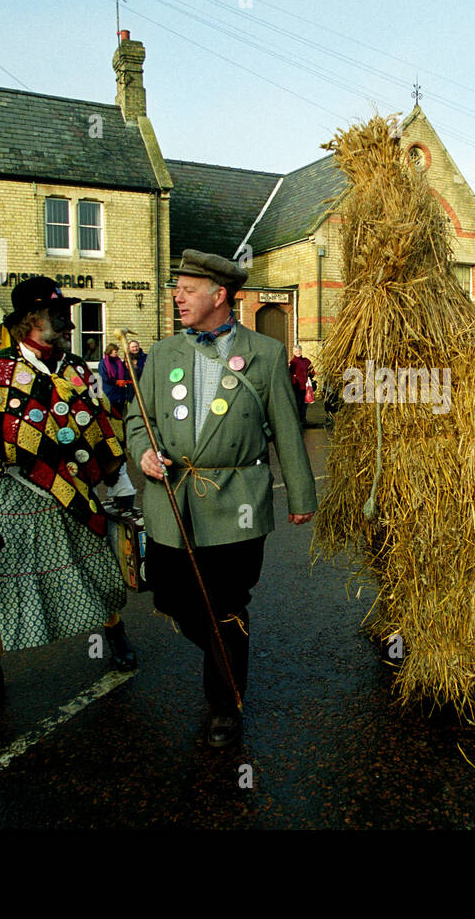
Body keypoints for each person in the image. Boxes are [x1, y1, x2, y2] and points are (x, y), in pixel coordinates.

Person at [127, 249, 316, 749]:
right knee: (171, 597)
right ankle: (224, 651)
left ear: (220, 296)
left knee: (228, 604)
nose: (177, 297)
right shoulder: (162, 352)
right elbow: (135, 419)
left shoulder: (266, 353)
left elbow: (287, 429)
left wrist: (301, 494)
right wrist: (144, 452)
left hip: (238, 501)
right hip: (171, 499)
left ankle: (224, 704)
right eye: (177, 289)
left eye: (188, 290)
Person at [0, 276, 139, 721]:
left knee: (99, 572)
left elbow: (102, 428)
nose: (68, 323)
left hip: (74, 492)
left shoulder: (76, 370)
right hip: (18, 497)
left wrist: (119, 479)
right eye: (58, 315)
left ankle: (117, 634)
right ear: (30, 320)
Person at [98, 342, 132, 413]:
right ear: (110, 351)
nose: (117, 353)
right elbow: (104, 377)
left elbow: (123, 373)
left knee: (120, 411)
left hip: (120, 392)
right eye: (115, 352)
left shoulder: (118, 362)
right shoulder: (103, 363)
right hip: (109, 391)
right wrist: (116, 382)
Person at [288, 345, 314, 425]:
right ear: (293, 352)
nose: (298, 352)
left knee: (305, 403)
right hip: (297, 386)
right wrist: (294, 377)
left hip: (305, 386)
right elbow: (290, 374)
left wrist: (310, 375)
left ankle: (303, 419)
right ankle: (298, 420)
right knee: (298, 403)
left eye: (299, 351)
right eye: (296, 351)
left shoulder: (306, 361)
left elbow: (312, 371)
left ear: (301, 351)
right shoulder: (292, 363)